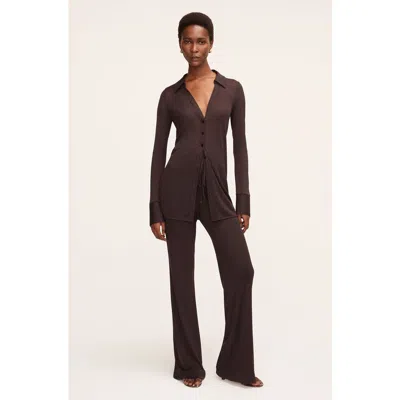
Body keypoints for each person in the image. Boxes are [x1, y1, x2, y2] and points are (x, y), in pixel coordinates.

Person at [149, 12, 263, 388]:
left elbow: (240, 147)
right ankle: (189, 366)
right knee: (182, 280)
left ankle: (235, 364)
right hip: (176, 193)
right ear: (180, 44)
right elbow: (158, 152)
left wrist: (243, 201)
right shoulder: (170, 96)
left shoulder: (232, 90)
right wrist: (155, 208)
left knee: (241, 271)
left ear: (211, 43)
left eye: (200, 41)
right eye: (187, 41)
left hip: (217, 193)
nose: (194, 48)